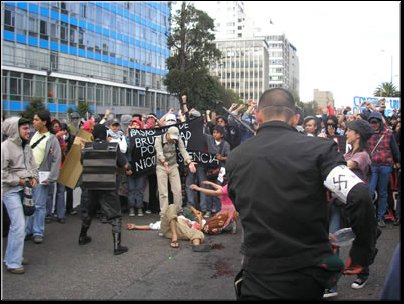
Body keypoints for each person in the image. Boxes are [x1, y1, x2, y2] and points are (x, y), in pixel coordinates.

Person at [226, 88, 378, 300]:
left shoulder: (235, 158)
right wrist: (363, 251)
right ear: (295, 118)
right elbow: (360, 194)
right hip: (306, 276)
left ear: (258, 115)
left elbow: (241, 204)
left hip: (259, 276)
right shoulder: (319, 150)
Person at [78, 123, 132, 255]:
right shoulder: (113, 147)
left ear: (93, 135)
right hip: (108, 186)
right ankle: (116, 246)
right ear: (106, 135)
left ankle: (82, 237)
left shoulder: (86, 147)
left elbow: (82, 162)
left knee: (88, 213)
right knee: (115, 215)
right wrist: (128, 168)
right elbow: (125, 165)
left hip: (90, 186)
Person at [2, 117, 38, 274]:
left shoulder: (26, 146)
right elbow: (2, 174)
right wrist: (19, 181)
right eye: (24, 128)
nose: (28, 130)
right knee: (19, 225)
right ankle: (13, 262)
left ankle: (13, 256)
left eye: (28, 127)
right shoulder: (5, 147)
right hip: (10, 190)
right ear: (14, 130)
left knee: (20, 224)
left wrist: (34, 177)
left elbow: (32, 164)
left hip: (26, 188)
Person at [25, 110, 62, 244]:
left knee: (40, 205)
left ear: (44, 122)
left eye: (36, 120)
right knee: (29, 204)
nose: (33, 122)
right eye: (33, 120)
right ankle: (28, 230)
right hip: (29, 175)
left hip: (42, 176)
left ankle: (38, 231)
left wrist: (51, 177)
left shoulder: (51, 139)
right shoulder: (31, 136)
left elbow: (56, 160)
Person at [367, 111, 401, 228]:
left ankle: (380, 218)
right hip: (373, 166)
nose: (374, 125)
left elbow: (394, 149)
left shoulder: (389, 134)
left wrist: (397, 161)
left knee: (383, 192)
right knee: (370, 191)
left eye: (376, 122)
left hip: (386, 166)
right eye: (371, 122)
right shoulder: (367, 134)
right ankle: (370, 217)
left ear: (380, 122)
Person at [154, 126, 196, 216]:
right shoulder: (159, 139)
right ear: (167, 134)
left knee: (177, 190)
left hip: (173, 165)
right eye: (171, 137)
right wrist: (164, 162)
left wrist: (189, 162)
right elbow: (159, 152)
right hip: (161, 166)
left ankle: (178, 210)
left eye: (174, 138)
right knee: (163, 192)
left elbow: (183, 150)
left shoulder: (177, 139)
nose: (173, 140)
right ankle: (164, 213)